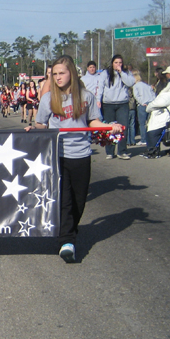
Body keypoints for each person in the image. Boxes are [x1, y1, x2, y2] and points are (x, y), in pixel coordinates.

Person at [30, 55, 121, 263]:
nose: (58, 77)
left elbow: (94, 121)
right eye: (54, 74)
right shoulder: (47, 99)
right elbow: (41, 125)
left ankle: (69, 232)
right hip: (58, 156)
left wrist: (110, 127)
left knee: (79, 200)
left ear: (71, 73)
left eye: (62, 73)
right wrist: (33, 132)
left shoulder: (86, 96)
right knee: (64, 199)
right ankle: (66, 241)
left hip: (81, 155)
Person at [98, 54, 135, 159]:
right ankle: (110, 151)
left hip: (122, 103)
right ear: (112, 63)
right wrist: (98, 100)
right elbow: (100, 87)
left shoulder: (126, 73)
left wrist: (121, 72)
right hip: (108, 104)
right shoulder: (105, 73)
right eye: (116, 63)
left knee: (123, 127)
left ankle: (122, 151)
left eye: (120, 63)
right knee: (110, 127)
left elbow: (130, 83)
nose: (118, 64)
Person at [143, 76, 170, 158]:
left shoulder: (166, 95)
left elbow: (154, 105)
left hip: (166, 120)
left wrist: (148, 107)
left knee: (152, 132)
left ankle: (152, 150)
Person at [132, 71, 156, 147]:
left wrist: (142, 102)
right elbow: (153, 94)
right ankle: (151, 138)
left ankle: (143, 139)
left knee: (142, 124)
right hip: (150, 104)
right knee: (150, 123)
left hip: (142, 105)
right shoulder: (147, 85)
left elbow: (136, 96)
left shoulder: (136, 86)